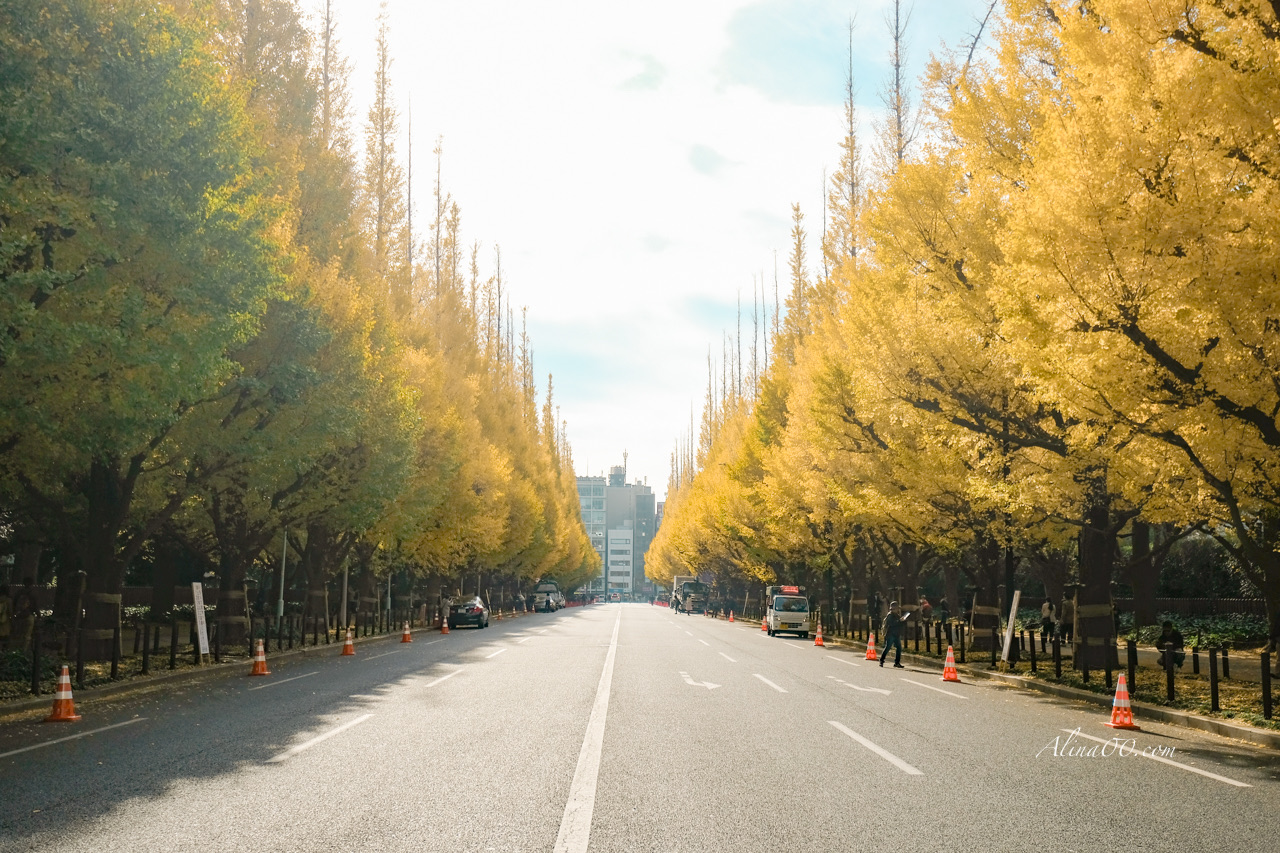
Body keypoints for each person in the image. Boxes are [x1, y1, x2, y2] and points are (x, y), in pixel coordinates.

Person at [879, 601, 912, 668]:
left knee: (899, 648)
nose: (898, 610)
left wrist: (903, 620)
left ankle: (897, 662)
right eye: (897, 608)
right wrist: (900, 621)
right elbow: (892, 624)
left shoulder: (896, 615)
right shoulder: (890, 615)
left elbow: (899, 624)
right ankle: (881, 660)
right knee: (887, 647)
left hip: (896, 634)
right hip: (890, 634)